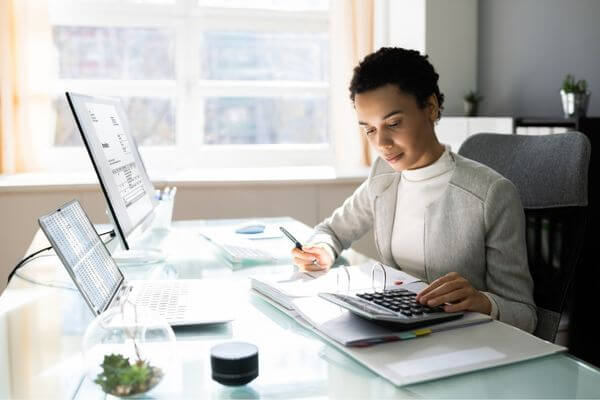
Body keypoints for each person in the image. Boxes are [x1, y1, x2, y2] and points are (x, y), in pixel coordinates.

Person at [290, 47, 536, 333]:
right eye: (369, 129)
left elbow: (525, 315)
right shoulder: (383, 177)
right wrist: (322, 250)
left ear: (430, 108)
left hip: (464, 344)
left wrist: (483, 302)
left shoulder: (492, 194)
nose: (381, 143)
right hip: (399, 334)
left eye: (393, 123)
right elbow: (332, 231)